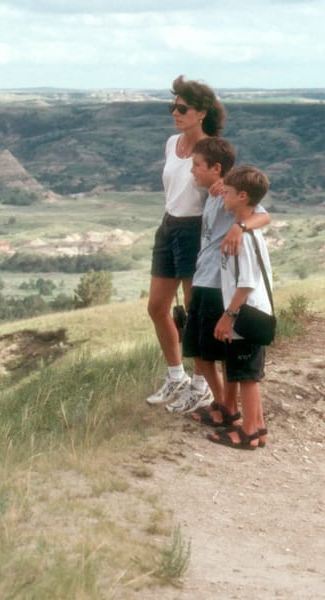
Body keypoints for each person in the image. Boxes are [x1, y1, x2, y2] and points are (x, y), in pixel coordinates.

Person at [165, 138, 270, 417]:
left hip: (217, 285)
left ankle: (229, 409)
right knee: (196, 347)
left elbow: (264, 216)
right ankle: (223, 402)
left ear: (216, 168)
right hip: (202, 279)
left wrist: (239, 227)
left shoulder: (229, 193)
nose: (192, 170)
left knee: (220, 349)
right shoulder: (214, 194)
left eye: (197, 165)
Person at [146, 75, 226, 406]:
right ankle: (176, 375)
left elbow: (226, 193)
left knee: (195, 313)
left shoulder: (212, 151)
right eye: (173, 107)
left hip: (195, 230)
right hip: (169, 226)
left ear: (202, 113)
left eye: (182, 108)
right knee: (157, 307)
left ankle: (200, 384)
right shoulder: (171, 143)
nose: (175, 114)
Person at [208, 166, 272, 449]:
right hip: (254, 314)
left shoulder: (243, 238)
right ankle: (258, 428)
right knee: (250, 374)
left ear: (243, 196)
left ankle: (247, 433)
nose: (224, 196)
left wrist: (227, 316)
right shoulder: (249, 233)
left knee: (246, 376)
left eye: (229, 192)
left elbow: (245, 283)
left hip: (245, 315)